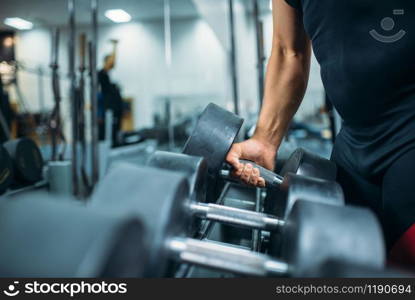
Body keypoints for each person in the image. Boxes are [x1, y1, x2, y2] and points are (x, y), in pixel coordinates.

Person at [226, 0, 415, 268]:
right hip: (354, 149)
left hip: (409, 129)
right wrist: (266, 140)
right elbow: (288, 51)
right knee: (350, 272)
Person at [98, 40, 123, 146]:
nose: (112, 63)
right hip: (107, 112)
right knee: (107, 136)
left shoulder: (108, 76)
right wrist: (114, 46)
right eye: (109, 61)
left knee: (115, 133)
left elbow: (113, 62)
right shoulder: (101, 74)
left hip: (115, 110)